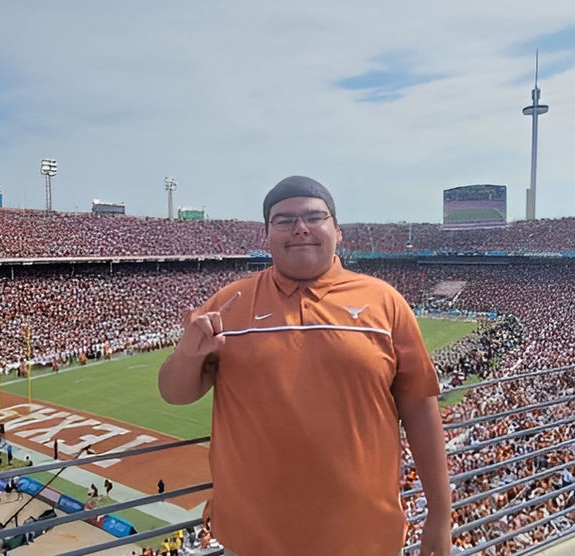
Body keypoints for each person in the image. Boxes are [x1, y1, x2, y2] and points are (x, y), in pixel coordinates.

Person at [159, 176, 451, 556]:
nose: (300, 227)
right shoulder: (229, 302)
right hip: (251, 538)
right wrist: (189, 353)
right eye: (283, 220)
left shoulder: (384, 302)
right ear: (266, 235)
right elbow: (174, 393)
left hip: (364, 536)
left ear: (337, 231)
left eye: (315, 217)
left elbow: (420, 409)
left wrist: (441, 515)